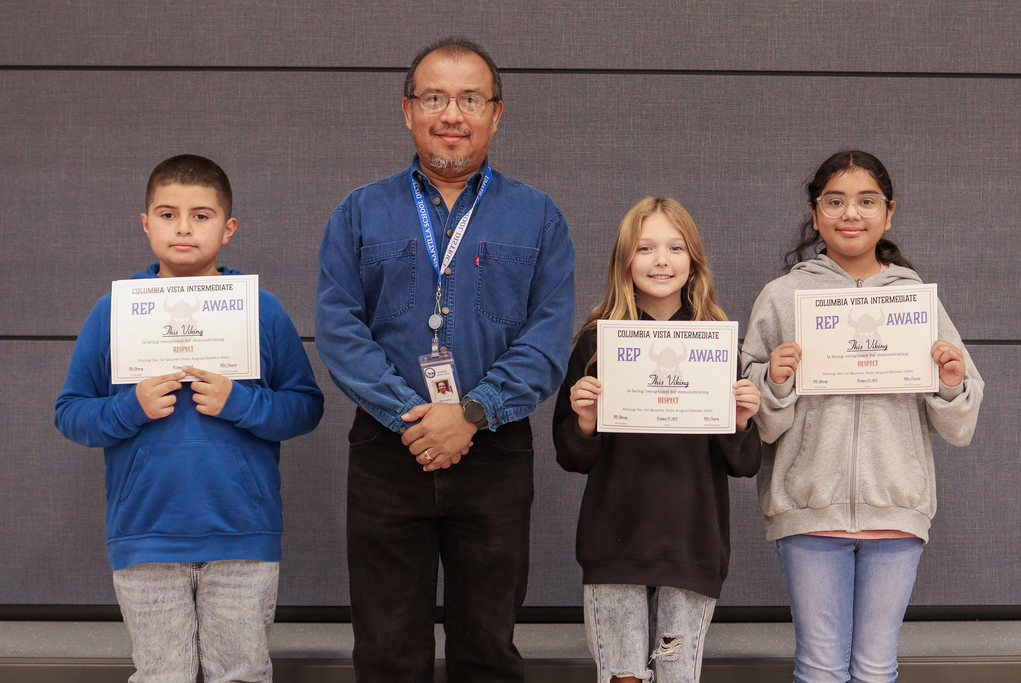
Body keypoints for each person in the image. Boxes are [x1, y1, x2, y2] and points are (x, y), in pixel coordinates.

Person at [315, 38, 575, 682]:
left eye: (470, 99)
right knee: (386, 651)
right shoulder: (358, 211)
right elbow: (339, 329)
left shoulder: (539, 216)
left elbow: (547, 339)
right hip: (388, 448)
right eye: (434, 98)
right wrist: (417, 415)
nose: (451, 115)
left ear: (496, 113)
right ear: (408, 110)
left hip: (495, 449)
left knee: (488, 648)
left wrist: (472, 414)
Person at [55, 154, 325, 683]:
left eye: (201, 216)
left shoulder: (262, 309)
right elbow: (70, 413)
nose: (183, 228)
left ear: (228, 228)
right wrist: (128, 408)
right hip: (146, 534)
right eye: (168, 214)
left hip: (241, 532)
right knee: (162, 675)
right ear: (145, 223)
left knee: (241, 674)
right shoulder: (112, 311)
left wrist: (242, 403)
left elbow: (306, 406)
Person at [741, 151, 983, 683]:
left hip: (897, 509)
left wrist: (949, 381)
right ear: (815, 213)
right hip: (808, 511)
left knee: (876, 668)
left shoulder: (915, 301)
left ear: (889, 213)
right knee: (820, 668)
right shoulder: (782, 298)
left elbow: (959, 426)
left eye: (867, 201)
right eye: (835, 201)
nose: (851, 213)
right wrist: (774, 380)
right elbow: (759, 423)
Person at [553, 197, 762, 683]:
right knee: (622, 678)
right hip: (615, 543)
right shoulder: (597, 344)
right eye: (645, 248)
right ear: (624, 260)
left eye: (675, 247)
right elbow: (571, 455)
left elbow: (745, 463)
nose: (661, 260)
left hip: (692, 543)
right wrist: (586, 420)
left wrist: (740, 421)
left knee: (675, 676)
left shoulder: (716, 344)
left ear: (694, 261)